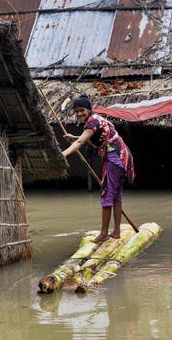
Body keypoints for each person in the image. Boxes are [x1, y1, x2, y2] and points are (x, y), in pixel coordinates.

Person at [61, 94, 135, 243]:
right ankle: (116, 232)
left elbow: (82, 141)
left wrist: (62, 155)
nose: (79, 114)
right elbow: (94, 137)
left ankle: (104, 234)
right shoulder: (97, 119)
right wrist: (75, 138)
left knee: (106, 194)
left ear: (89, 109)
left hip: (114, 158)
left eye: (82, 110)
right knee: (116, 195)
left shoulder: (92, 122)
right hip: (122, 157)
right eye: (77, 112)